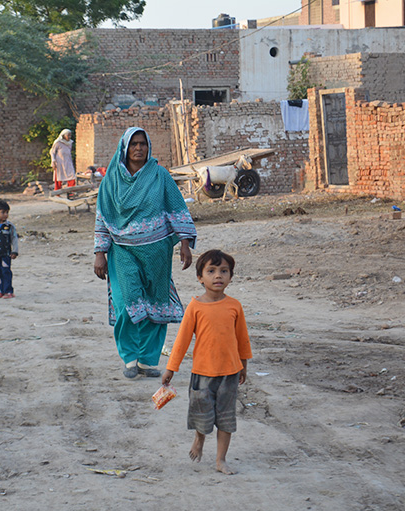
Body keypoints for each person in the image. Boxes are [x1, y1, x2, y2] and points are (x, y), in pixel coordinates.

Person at [93, 127, 197, 379]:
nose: (138, 149)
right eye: (133, 144)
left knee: (155, 304)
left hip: (157, 253)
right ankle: (130, 358)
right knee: (127, 302)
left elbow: (176, 207)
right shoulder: (112, 180)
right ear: (124, 148)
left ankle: (148, 360)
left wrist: (184, 242)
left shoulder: (160, 175)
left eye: (143, 144)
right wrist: (100, 252)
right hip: (122, 252)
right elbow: (103, 216)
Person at [162, 249, 252, 475]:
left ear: (231, 276)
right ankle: (199, 439)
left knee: (226, 418)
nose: (218, 276)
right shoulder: (195, 307)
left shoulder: (234, 306)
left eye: (224, 271)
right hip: (202, 373)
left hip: (230, 373)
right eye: (211, 271)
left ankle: (221, 459)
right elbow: (182, 341)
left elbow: (242, 339)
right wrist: (171, 369)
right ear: (200, 277)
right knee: (202, 413)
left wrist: (243, 365)